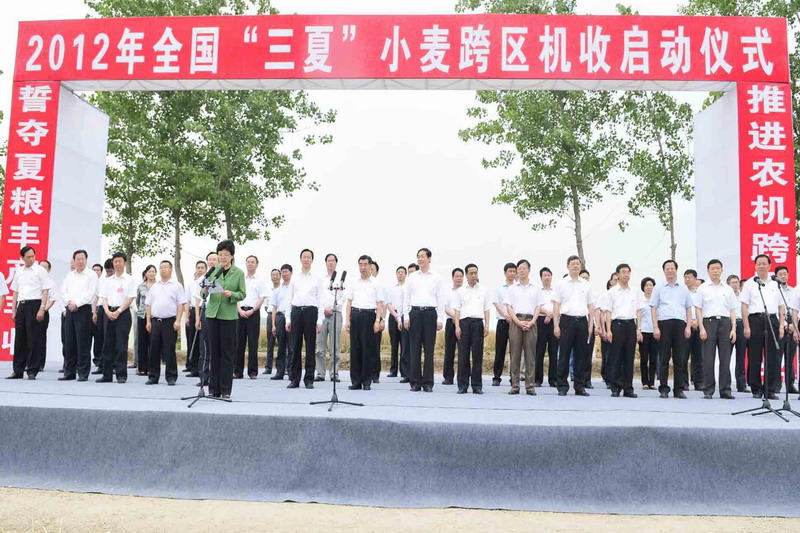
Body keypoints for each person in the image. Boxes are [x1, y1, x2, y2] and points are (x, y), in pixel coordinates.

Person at [204, 241, 245, 397]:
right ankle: (213, 389)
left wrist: (231, 294)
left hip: (228, 316)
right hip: (212, 314)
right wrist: (205, 288)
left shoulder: (238, 273)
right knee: (214, 353)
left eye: (226, 255)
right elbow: (203, 293)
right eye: (220, 254)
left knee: (227, 353)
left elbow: (242, 293)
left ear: (232, 256)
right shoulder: (213, 271)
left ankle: (226, 390)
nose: (222, 257)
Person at [741, 254, 785, 400]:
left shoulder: (775, 283)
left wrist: (781, 326)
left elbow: (781, 306)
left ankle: (770, 389)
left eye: (764, 263)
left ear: (769, 265)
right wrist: (746, 326)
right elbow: (744, 306)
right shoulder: (750, 283)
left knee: (772, 356)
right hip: (755, 320)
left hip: (772, 320)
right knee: (755, 355)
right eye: (758, 263)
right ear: (755, 266)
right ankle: (756, 388)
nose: (761, 266)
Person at [403, 248, 446, 393]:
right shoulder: (412, 277)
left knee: (429, 350)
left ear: (429, 258)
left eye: (422, 256)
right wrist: (406, 316)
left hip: (430, 313)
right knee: (414, 349)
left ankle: (428, 382)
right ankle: (415, 382)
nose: (420, 259)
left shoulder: (436, 278)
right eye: (418, 257)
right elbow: (406, 297)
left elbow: (440, 298)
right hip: (415, 313)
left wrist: (440, 318)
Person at [694, 259, 738, 399]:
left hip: (725, 323)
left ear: (722, 270)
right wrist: (701, 328)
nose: (715, 271)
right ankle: (708, 389)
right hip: (708, 323)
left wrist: (733, 328)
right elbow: (698, 309)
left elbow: (732, 310)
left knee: (725, 359)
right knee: (708, 358)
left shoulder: (727, 289)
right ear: (708, 271)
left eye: (717, 268)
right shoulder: (703, 288)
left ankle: (725, 390)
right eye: (712, 268)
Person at [7, 246, 52, 380]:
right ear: (22, 258)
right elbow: (15, 291)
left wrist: (42, 308)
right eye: (28, 257)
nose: (31, 259)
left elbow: (45, 290)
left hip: (35, 304)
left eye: (33, 256)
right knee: (20, 339)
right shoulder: (19, 271)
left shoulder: (40, 270)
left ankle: (32, 370)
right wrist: (13, 310)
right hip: (22, 305)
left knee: (34, 339)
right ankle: (18, 370)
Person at [650, 260, 693, 399]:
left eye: (672, 268)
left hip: (680, 324)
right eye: (667, 268)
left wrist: (688, 326)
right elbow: (653, 308)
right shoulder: (658, 288)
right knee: (664, 357)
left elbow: (688, 308)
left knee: (679, 358)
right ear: (664, 271)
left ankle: (678, 389)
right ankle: (663, 388)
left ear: (676, 270)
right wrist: (655, 327)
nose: (670, 271)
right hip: (664, 324)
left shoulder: (683, 288)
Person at [553, 256, 595, 397]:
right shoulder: (561, 284)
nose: (576, 266)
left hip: (582, 321)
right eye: (573, 264)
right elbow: (556, 305)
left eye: (578, 264)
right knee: (564, 355)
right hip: (566, 321)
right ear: (567, 266)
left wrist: (590, 325)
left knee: (581, 356)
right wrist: (556, 325)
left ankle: (579, 386)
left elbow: (591, 306)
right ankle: (562, 386)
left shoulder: (586, 284)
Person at [600, 263, 643, 398]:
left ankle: (628, 388)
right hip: (617, 325)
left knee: (629, 357)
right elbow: (608, 312)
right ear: (617, 275)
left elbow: (638, 311)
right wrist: (608, 330)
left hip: (631, 325)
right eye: (623, 272)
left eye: (628, 272)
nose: (626, 274)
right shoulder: (611, 292)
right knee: (616, 357)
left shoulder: (635, 291)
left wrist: (638, 328)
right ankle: (616, 387)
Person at [96, 252, 137, 384]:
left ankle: (121, 374)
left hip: (123, 313)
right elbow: (104, 297)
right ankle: (106, 375)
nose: (117, 264)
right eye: (115, 262)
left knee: (121, 345)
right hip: (108, 313)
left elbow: (130, 298)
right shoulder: (108, 281)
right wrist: (107, 311)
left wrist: (119, 311)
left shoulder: (130, 280)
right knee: (107, 345)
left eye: (120, 261)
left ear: (124, 262)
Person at [286, 249, 324, 389]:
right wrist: (288, 319)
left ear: (312, 260)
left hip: (311, 312)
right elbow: (289, 299)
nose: (306, 259)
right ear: (300, 259)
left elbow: (321, 300)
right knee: (295, 346)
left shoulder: (317, 278)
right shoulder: (295, 277)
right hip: (296, 312)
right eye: (304, 257)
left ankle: (309, 379)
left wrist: (319, 320)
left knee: (310, 346)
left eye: (308, 257)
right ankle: (294, 379)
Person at [345, 255, 384, 390]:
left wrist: (377, 320)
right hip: (356, 315)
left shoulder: (376, 283)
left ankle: (367, 381)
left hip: (369, 315)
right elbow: (349, 302)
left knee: (368, 350)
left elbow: (379, 303)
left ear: (370, 265)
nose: (362, 267)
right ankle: (355, 381)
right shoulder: (354, 282)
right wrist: (347, 319)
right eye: (360, 264)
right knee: (355, 349)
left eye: (365, 264)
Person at [145, 260, 187, 386]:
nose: (163, 269)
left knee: (169, 350)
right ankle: (153, 376)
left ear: (171, 269)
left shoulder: (177, 286)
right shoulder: (154, 286)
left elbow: (181, 304)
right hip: (155, 321)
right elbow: (148, 304)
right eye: (161, 267)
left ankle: (171, 376)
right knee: (154, 349)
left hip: (170, 321)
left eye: (166, 267)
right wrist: (148, 321)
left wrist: (178, 320)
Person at [59, 250, 99, 382]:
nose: (80, 261)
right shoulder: (69, 275)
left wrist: (77, 303)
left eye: (83, 259)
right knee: (69, 341)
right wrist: (69, 302)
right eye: (78, 259)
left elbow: (91, 293)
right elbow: (63, 291)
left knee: (83, 342)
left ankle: (83, 372)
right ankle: (69, 372)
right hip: (70, 309)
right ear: (74, 260)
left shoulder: (91, 275)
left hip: (84, 309)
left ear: (86, 260)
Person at [453, 263, 491, 394]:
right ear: (466, 275)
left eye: (476, 273)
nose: (474, 275)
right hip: (464, 324)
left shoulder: (484, 290)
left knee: (477, 356)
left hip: (478, 323)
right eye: (471, 273)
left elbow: (487, 309)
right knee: (463, 356)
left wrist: (487, 325)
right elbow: (457, 311)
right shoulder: (460, 291)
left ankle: (477, 385)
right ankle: (462, 385)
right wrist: (457, 327)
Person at [503, 259, 540, 395]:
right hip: (516, 321)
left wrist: (532, 322)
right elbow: (509, 307)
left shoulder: (535, 288)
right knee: (515, 355)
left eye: (524, 268)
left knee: (530, 356)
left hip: (531, 321)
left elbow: (538, 307)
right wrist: (518, 322)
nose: (521, 271)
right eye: (519, 268)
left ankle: (530, 386)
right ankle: (515, 385)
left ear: (529, 270)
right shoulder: (512, 288)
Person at [235, 255, 267, 380]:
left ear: (257, 264)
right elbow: (236, 296)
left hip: (254, 313)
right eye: (248, 262)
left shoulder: (260, 280)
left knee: (253, 343)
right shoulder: (240, 278)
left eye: (252, 262)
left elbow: (262, 297)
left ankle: (252, 372)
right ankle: (238, 371)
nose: (250, 264)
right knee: (239, 343)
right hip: (240, 312)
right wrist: (239, 310)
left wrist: (252, 310)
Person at [315, 253, 342, 383]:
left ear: (336, 263)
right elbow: (317, 296)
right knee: (320, 346)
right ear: (325, 263)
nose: (330, 262)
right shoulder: (320, 279)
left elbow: (343, 297)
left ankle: (334, 373)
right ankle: (320, 373)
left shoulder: (341, 279)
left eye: (333, 260)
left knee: (335, 346)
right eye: (328, 260)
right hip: (321, 314)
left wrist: (332, 307)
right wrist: (324, 308)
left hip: (336, 313)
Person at [194, 252, 218, 387]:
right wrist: (197, 319)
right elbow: (198, 300)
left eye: (215, 259)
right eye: (210, 259)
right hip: (205, 314)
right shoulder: (203, 278)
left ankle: (216, 377)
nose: (212, 261)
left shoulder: (222, 276)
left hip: (219, 314)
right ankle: (204, 377)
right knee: (204, 349)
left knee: (216, 348)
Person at [491, 263, 517, 386]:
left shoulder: (518, 288)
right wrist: (505, 314)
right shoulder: (499, 288)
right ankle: (497, 377)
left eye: (514, 271)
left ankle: (514, 377)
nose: (512, 273)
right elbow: (496, 303)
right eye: (510, 271)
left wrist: (513, 317)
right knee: (500, 350)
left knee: (515, 351)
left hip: (515, 323)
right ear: (505, 273)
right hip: (502, 321)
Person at [775, 266, 798, 394]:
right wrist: (783, 324)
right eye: (780, 274)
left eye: (785, 274)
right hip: (779, 325)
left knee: (790, 357)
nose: (783, 276)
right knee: (777, 357)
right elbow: (775, 309)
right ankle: (776, 385)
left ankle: (790, 385)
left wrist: (794, 325)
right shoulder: (774, 291)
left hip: (793, 324)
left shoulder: (794, 291)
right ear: (776, 276)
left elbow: (797, 309)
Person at [535, 267, 558, 387]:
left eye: (549, 275)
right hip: (540, 320)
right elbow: (535, 306)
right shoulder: (537, 291)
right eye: (545, 275)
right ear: (541, 278)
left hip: (554, 321)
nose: (547, 277)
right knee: (539, 350)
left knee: (553, 351)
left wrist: (551, 315)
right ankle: (537, 379)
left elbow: (559, 306)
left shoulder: (556, 291)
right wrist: (547, 313)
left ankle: (553, 379)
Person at [726, 274, 750, 394]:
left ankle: (741, 385)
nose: (735, 284)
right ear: (728, 284)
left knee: (741, 356)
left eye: (736, 282)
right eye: (732, 282)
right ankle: (726, 384)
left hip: (741, 324)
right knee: (726, 356)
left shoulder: (743, 296)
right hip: (728, 325)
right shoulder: (725, 295)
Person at [682, 269, 704, 391]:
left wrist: (697, 322)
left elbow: (704, 308)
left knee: (698, 356)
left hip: (699, 326)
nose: (687, 279)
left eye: (689, 277)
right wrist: (689, 322)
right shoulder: (681, 292)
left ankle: (698, 382)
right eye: (685, 277)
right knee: (683, 356)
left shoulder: (701, 292)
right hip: (686, 326)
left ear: (695, 279)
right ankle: (683, 382)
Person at [183, 260, 206, 376]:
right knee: (192, 339)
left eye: (202, 268)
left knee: (202, 341)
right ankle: (193, 367)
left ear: (206, 269)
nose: (200, 270)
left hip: (204, 310)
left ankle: (202, 367)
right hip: (193, 311)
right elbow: (187, 301)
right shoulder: (192, 284)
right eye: (198, 268)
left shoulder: (207, 281)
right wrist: (187, 316)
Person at [270, 264, 293, 380]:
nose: (284, 274)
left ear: (291, 273)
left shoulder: (294, 288)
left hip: (291, 318)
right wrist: (273, 325)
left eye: (286, 271)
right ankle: (280, 372)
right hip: (280, 317)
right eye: (282, 272)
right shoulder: (277, 290)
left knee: (291, 346)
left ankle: (291, 371)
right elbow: (274, 308)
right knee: (281, 346)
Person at [91, 258, 113, 375]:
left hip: (114, 310)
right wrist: (94, 312)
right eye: (107, 271)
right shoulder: (102, 280)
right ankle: (100, 364)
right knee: (100, 338)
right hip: (101, 310)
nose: (109, 274)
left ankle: (112, 365)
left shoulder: (118, 280)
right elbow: (96, 296)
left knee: (111, 339)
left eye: (111, 271)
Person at [442, 267, 464, 386]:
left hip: (463, 323)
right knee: (449, 350)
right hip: (451, 322)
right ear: (452, 278)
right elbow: (445, 307)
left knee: (463, 351)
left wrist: (459, 318)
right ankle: (448, 377)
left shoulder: (466, 291)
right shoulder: (447, 292)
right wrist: (456, 316)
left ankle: (463, 377)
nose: (459, 278)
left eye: (461, 276)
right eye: (457, 276)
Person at [387, 265, 408, 379]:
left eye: (402, 272)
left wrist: (400, 316)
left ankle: (404, 371)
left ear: (405, 274)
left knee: (404, 344)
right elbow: (388, 303)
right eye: (398, 272)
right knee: (394, 344)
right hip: (393, 315)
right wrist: (395, 315)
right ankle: (393, 370)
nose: (400, 274)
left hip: (405, 316)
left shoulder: (407, 287)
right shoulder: (392, 288)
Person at [135, 265, 156, 376]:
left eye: (153, 271)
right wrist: (140, 310)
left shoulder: (158, 286)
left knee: (153, 343)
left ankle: (152, 368)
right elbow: (138, 301)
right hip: (142, 316)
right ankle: (142, 368)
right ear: (145, 273)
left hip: (153, 316)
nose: (152, 273)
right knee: (142, 342)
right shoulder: (141, 286)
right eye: (150, 271)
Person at [638, 277, 659, 389]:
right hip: (644, 331)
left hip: (654, 332)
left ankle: (652, 382)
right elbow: (638, 316)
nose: (649, 287)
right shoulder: (640, 300)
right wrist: (638, 330)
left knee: (654, 358)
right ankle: (645, 382)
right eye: (647, 285)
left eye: (651, 285)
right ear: (643, 287)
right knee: (644, 358)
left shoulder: (657, 300)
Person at [37, 259, 58, 372]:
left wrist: (43, 309)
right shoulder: (34, 280)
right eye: (40, 266)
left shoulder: (51, 283)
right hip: (31, 310)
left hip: (43, 312)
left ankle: (40, 363)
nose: (42, 269)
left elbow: (52, 299)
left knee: (40, 338)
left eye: (45, 267)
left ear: (49, 270)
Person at [369, 260, 388, 383]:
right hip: (366, 316)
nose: (370, 271)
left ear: (376, 272)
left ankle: (375, 374)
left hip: (377, 317)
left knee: (375, 347)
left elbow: (384, 304)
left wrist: (382, 320)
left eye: (373, 269)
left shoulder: (380, 285)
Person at [263, 268, 281, 375]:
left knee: (282, 343)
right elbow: (266, 307)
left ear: (280, 276)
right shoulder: (268, 290)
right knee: (270, 343)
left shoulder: (284, 289)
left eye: (277, 274)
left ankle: (282, 367)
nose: (275, 276)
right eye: (273, 274)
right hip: (270, 315)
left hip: (281, 316)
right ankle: (268, 367)